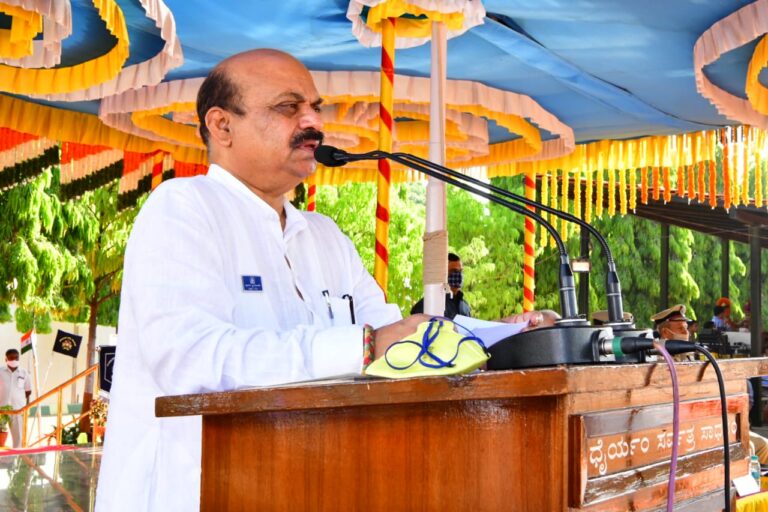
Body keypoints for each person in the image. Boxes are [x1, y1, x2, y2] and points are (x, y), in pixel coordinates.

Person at [95, 49, 548, 511]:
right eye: (288, 107)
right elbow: (191, 360)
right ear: (222, 125)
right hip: (192, 493)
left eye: (315, 107)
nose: (313, 122)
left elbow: (398, 343)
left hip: (314, 487)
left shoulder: (325, 236)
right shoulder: (183, 208)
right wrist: (363, 347)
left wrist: (501, 340)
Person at [410, 253, 471, 319]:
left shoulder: (465, 307)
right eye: (453, 271)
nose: (459, 275)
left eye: (460, 271)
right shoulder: (427, 304)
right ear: (442, 274)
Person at [0, 349, 32, 448]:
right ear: (6, 359)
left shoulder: (24, 373)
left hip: (18, 409)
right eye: (11, 358)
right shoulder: (0, 371)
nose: (14, 360)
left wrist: (24, 406)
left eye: (16, 358)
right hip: (1, 409)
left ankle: (17, 456)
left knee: (18, 437)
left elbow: (28, 391)